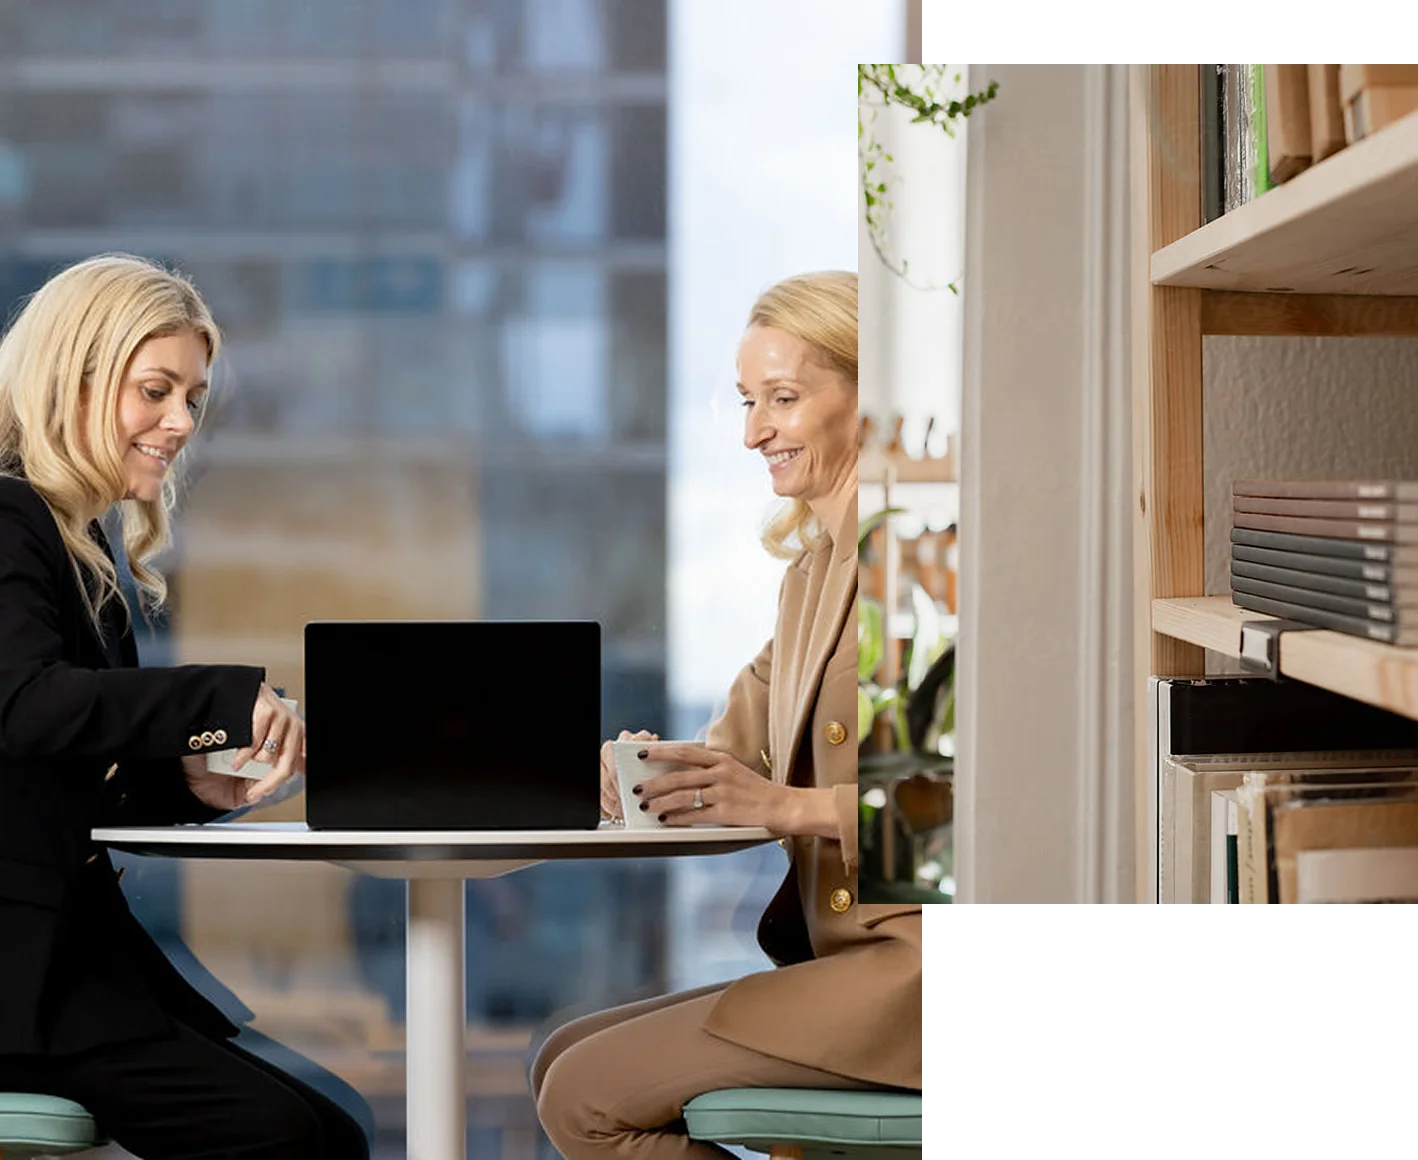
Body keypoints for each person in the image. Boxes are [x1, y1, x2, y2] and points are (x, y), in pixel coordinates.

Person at [532, 271, 923, 1159]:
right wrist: (642, 776)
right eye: (749, 402)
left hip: (912, 976)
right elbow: (729, 758)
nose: (754, 433)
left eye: (783, 399)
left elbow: (968, 808)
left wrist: (786, 806)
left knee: (584, 1096)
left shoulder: (924, 558)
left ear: (871, 397)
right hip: (852, 966)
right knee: (560, 1056)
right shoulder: (811, 577)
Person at [0, 253, 369, 1160]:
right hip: (28, 977)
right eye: (155, 391)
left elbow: (61, 771)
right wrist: (222, 696)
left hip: (73, 964)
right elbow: (25, 706)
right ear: (70, 380)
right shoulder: (6, 519)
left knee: (332, 1132)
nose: (180, 423)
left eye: (192, 399)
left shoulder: (75, 541)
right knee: (286, 1139)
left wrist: (189, 785)